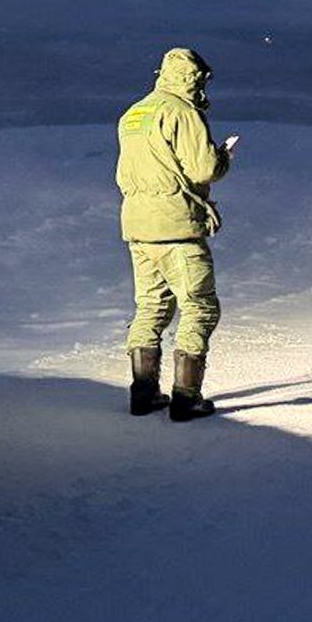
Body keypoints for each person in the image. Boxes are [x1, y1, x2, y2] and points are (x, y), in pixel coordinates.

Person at [115, 47, 234, 421]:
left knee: (151, 306)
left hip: (138, 226)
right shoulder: (184, 112)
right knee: (199, 306)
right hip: (176, 226)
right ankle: (186, 398)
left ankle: (143, 394)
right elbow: (203, 169)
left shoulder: (134, 113)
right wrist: (224, 157)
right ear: (194, 78)